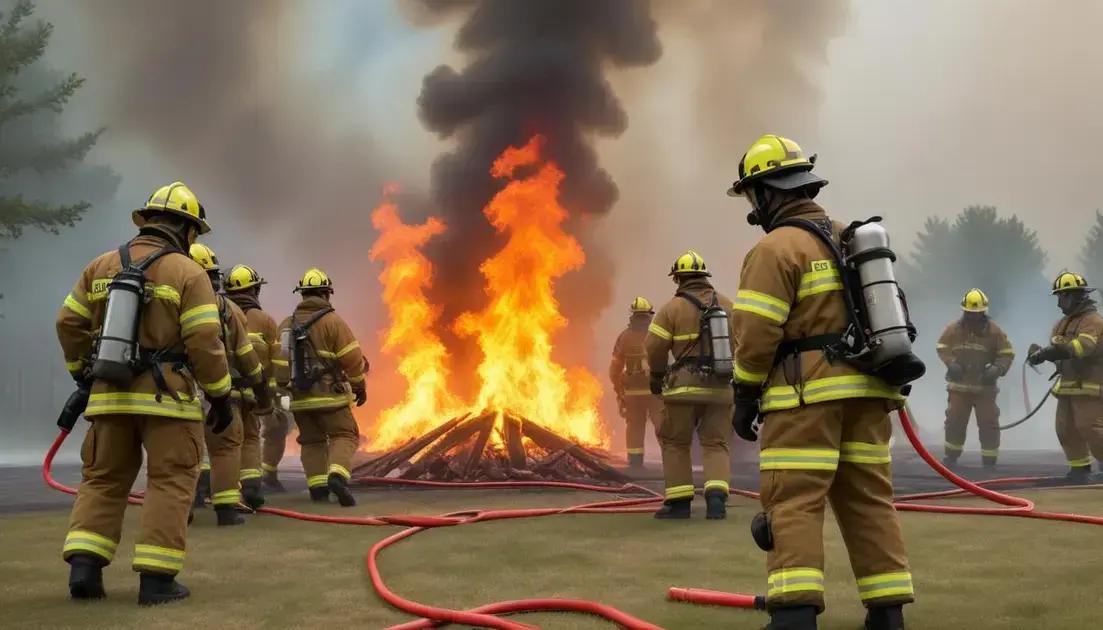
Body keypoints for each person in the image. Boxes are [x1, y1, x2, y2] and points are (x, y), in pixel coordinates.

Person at [728, 135, 912, 630]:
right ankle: (888, 614)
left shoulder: (775, 248)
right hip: (869, 395)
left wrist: (745, 395)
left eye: (752, 196)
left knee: (793, 500)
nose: (752, 207)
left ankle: (793, 616)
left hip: (805, 398)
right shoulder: (852, 238)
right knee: (868, 501)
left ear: (768, 192)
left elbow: (756, 334)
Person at [56, 181, 232, 604]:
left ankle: (85, 568)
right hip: (166, 400)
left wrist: (83, 372)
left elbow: (68, 324)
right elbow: (205, 339)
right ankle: (156, 580)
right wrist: (221, 395)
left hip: (107, 394)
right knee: (170, 482)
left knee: (101, 479)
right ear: (188, 230)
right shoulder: (188, 272)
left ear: (148, 220)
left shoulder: (100, 265)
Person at [643, 252, 734, 520]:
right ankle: (717, 502)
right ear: (705, 277)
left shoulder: (672, 308)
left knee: (675, 441)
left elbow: (654, 346)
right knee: (716, 443)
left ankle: (680, 503)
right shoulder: (728, 305)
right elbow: (743, 342)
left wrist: (657, 376)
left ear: (679, 278)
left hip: (683, 389)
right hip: (721, 387)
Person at [188, 244, 268, 523]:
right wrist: (260, 388)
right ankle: (225, 509)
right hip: (223, 392)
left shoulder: (164, 302)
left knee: (182, 449)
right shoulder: (227, 308)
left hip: (178, 392)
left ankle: (181, 507)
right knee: (224, 448)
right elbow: (247, 355)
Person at [275, 268, 368, 506]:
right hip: (330, 397)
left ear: (303, 295)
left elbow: (279, 362)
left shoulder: (287, 324)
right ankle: (337, 476)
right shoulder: (332, 321)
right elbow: (353, 359)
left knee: (311, 441)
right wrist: (359, 385)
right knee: (344, 434)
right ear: (326, 294)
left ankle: (318, 489)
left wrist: (283, 389)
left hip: (299, 399)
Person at [1028, 272, 1103, 483]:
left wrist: (1055, 350)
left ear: (1076, 296)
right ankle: (1080, 470)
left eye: (1063, 296)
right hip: (1069, 387)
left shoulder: (1093, 321)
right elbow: (1060, 354)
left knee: (1091, 428)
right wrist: (1040, 355)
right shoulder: (1062, 323)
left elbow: (1083, 347)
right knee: (1065, 429)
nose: (1059, 302)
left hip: (1090, 385)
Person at [224, 264, 287, 494]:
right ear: (254, 291)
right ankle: (251, 487)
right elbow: (275, 362)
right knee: (250, 437)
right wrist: (269, 396)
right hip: (252, 394)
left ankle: (210, 489)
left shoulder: (218, 312)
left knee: (223, 442)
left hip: (218, 393)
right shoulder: (266, 321)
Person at [936, 289, 1015, 468]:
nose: (971, 317)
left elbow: (1007, 354)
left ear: (983, 313)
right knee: (954, 421)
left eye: (975, 314)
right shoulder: (953, 329)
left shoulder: (995, 331)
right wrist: (951, 362)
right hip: (959, 388)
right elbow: (942, 346)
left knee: (989, 423)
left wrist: (998, 369)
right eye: (968, 313)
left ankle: (989, 460)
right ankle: (951, 457)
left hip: (984, 389)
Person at [609, 297, 665, 469]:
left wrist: (618, 390)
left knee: (634, 428)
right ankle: (671, 461)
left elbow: (615, 368)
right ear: (649, 315)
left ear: (632, 315)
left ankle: (635, 464)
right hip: (656, 392)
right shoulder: (657, 334)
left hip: (633, 394)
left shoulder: (624, 337)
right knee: (662, 426)